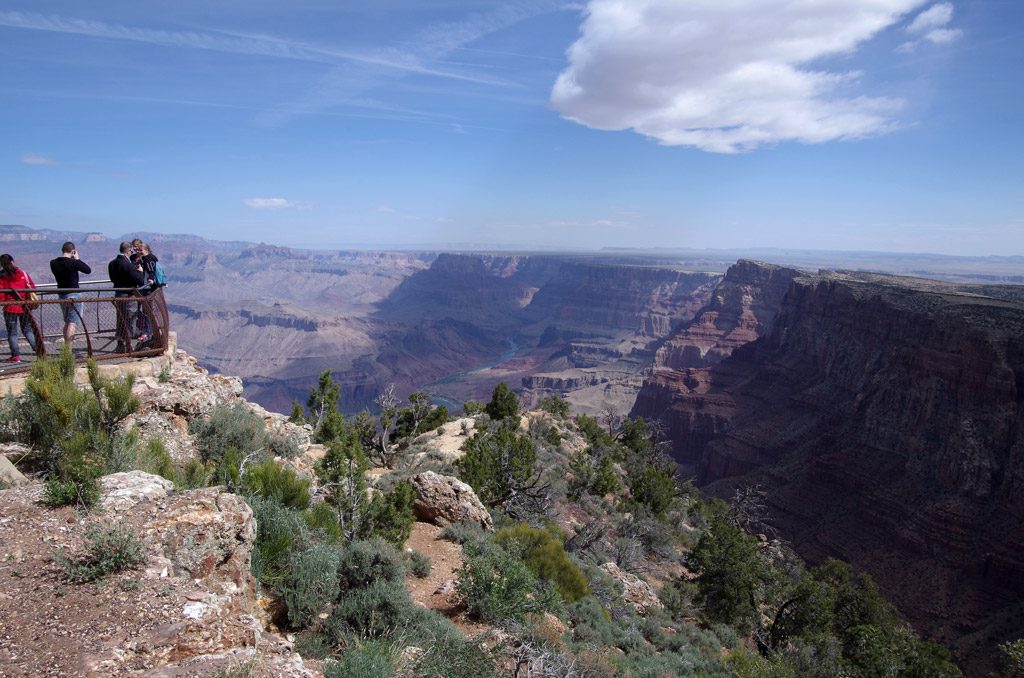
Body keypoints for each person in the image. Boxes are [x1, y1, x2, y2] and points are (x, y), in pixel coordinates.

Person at [49, 241, 92, 345]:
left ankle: (66, 347)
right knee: (72, 323)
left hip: (62, 294)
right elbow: (87, 270)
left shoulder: (53, 263)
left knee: (67, 322)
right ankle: (68, 348)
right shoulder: (73, 263)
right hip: (74, 294)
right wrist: (77, 259)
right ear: (73, 251)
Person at [108, 241, 145, 353]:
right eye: (131, 251)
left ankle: (120, 344)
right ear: (128, 251)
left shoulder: (112, 263)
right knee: (130, 319)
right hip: (128, 295)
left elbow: (112, 279)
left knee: (120, 319)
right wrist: (140, 272)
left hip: (118, 294)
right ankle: (129, 346)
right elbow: (138, 280)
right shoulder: (127, 264)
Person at [0, 254, 38, 362]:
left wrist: (6, 302)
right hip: (25, 307)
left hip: (10, 308)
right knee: (27, 330)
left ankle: (16, 356)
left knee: (12, 333)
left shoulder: (2, 277)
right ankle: (38, 350)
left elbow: (1, 296)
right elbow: (32, 287)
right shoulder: (23, 274)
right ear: (12, 261)